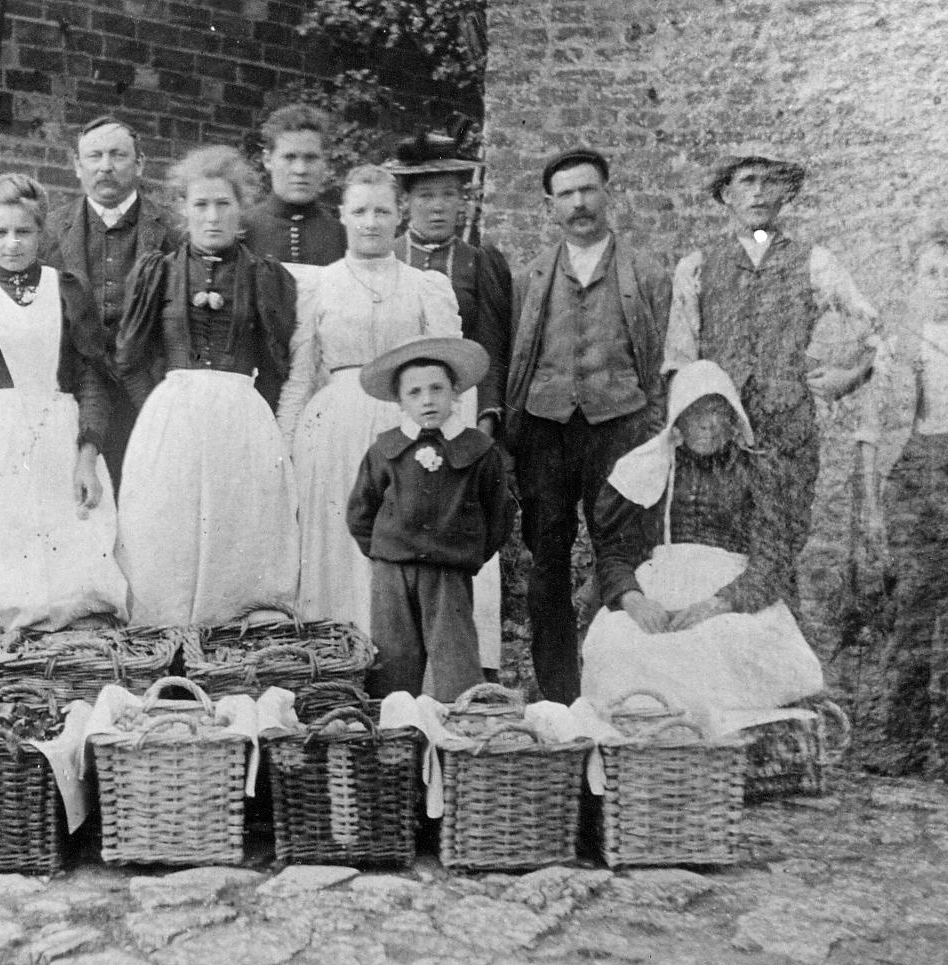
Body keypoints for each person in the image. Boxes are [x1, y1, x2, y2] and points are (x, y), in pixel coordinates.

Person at [665, 151, 881, 609]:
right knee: (722, 552)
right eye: (747, 181)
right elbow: (680, 362)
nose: (759, 192)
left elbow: (874, 328)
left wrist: (850, 373)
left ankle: (785, 665)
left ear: (786, 194)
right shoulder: (699, 266)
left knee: (781, 551)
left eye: (770, 182)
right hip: (719, 440)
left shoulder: (814, 261)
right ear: (726, 195)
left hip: (787, 435)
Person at [504, 148, 671, 705]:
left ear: (608, 194)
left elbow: (662, 360)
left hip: (617, 428)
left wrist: (652, 427)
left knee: (620, 555)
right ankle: (559, 696)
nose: (579, 203)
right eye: (567, 194)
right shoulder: (530, 277)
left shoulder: (645, 274)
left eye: (589, 190)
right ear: (549, 206)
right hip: (545, 430)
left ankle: (614, 687)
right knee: (547, 560)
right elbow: (517, 359)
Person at [583, 359, 823, 736]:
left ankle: (709, 744)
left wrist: (719, 603)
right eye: (697, 412)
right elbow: (615, 551)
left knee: (714, 642)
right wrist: (633, 600)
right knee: (616, 639)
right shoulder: (650, 468)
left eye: (717, 411)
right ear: (678, 420)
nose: (709, 422)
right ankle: (644, 741)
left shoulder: (757, 473)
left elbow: (771, 560)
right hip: (658, 585)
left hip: (732, 593)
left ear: (733, 419)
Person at [115, 145, 300, 627]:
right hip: (170, 421)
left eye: (224, 204)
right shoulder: (159, 271)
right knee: (167, 531)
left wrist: (259, 420)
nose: (212, 216)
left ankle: (231, 649)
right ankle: (163, 643)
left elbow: (278, 367)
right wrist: (158, 410)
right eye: (201, 205)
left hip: (243, 420)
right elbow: (129, 358)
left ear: (242, 212)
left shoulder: (265, 276)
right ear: (183, 210)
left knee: (237, 531)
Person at [0, 173, 128, 631]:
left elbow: (91, 379)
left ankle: (71, 662)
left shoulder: (66, 289)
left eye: (24, 232)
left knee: (72, 564)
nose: (12, 244)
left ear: (41, 233)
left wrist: (86, 453)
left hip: (62, 436)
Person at [275, 165, 462, 630]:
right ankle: (337, 657)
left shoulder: (425, 286)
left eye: (382, 210)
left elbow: (449, 375)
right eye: (360, 211)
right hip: (334, 428)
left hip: (407, 426)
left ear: (400, 216)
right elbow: (300, 377)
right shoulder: (319, 286)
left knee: (404, 541)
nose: (371, 222)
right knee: (339, 539)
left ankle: (400, 665)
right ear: (342, 215)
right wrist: (284, 447)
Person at [858, 231, 948, 782]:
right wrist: (871, 508)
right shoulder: (896, 346)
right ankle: (902, 741)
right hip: (911, 474)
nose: (943, 284)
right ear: (916, 281)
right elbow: (871, 433)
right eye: (931, 273)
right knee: (909, 607)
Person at [346, 336, 512, 700]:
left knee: (456, 657)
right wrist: (384, 551)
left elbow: (499, 514)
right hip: (393, 572)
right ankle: (396, 736)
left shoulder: (478, 450)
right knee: (393, 658)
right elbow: (361, 510)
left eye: (437, 389)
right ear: (401, 401)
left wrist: (466, 553)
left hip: (448, 571)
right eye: (415, 392)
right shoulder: (385, 450)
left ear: (455, 392)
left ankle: (460, 735)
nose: (427, 400)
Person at [42, 116, 178, 489]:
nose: (105, 167)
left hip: (148, 392)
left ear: (140, 164)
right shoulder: (51, 231)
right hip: (77, 395)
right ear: (76, 165)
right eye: (94, 156)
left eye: (118, 155)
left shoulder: (170, 230)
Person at [384, 130, 514, 436]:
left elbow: (490, 351)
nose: (438, 206)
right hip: (390, 406)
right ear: (406, 202)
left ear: (462, 201)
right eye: (426, 195)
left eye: (448, 194)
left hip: (459, 407)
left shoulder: (480, 262)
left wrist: (486, 417)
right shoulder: (387, 257)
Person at [239, 104, 345, 271]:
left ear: (325, 162)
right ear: (267, 160)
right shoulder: (242, 231)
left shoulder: (342, 237)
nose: (300, 170)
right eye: (289, 157)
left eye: (311, 158)